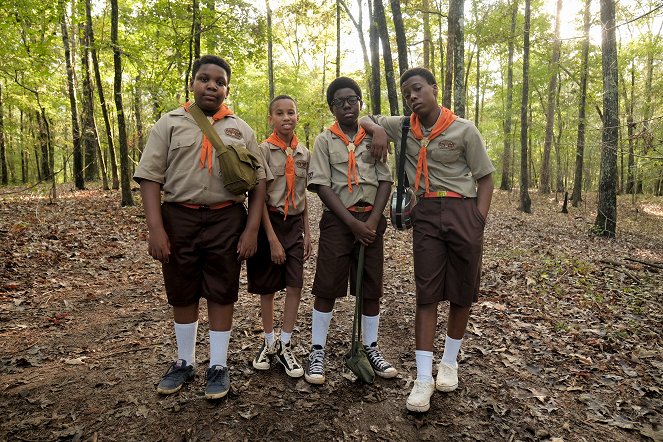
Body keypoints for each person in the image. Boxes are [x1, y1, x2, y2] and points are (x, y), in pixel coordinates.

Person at [360, 67, 495, 412]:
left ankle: (449, 363)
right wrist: (376, 130)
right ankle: (423, 378)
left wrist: (478, 219)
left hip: (463, 211)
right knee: (427, 292)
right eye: (406, 93)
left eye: (417, 89)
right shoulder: (403, 127)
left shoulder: (463, 130)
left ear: (434, 89)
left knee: (462, 290)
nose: (412, 96)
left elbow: (485, 177)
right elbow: (364, 117)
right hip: (426, 215)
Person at [133, 55, 267, 400]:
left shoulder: (241, 128)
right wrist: (156, 229)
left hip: (227, 218)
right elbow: (150, 177)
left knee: (222, 290)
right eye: (205, 79)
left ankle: (218, 365)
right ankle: (184, 361)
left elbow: (260, 182)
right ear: (192, 83)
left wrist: (251, 229)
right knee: (182, 289)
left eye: (219, 81)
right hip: (179, 218)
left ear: (226, 88)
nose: (212, 85)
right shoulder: (170, 123)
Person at [304, 76, 397, 385]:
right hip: (339, 221)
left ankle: (371, 347)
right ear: (332, 108)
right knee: (327, 285)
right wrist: (352, 223)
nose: (346, 105)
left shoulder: (374, 139)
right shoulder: (324, 140)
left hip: (370, 220)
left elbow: (385, 180)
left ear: (360, 104)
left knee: (371, 286)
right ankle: (317, 350)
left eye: (351, 100)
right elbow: (321, 185)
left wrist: (371, 222)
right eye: (339, 102)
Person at [247, 95, 311, 378]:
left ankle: (285, 344)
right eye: (280, 113)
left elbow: (303, 195)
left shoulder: (304, 153)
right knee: (268, 287)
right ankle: (269, 342)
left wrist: (308, 232)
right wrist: (271, 239)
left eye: (291, 113)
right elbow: (258, 200)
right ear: (271, 118)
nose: (286, 118)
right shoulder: (262, 150)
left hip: (294, 224)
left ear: (298, 117)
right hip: (268, 223)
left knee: (295, 283)